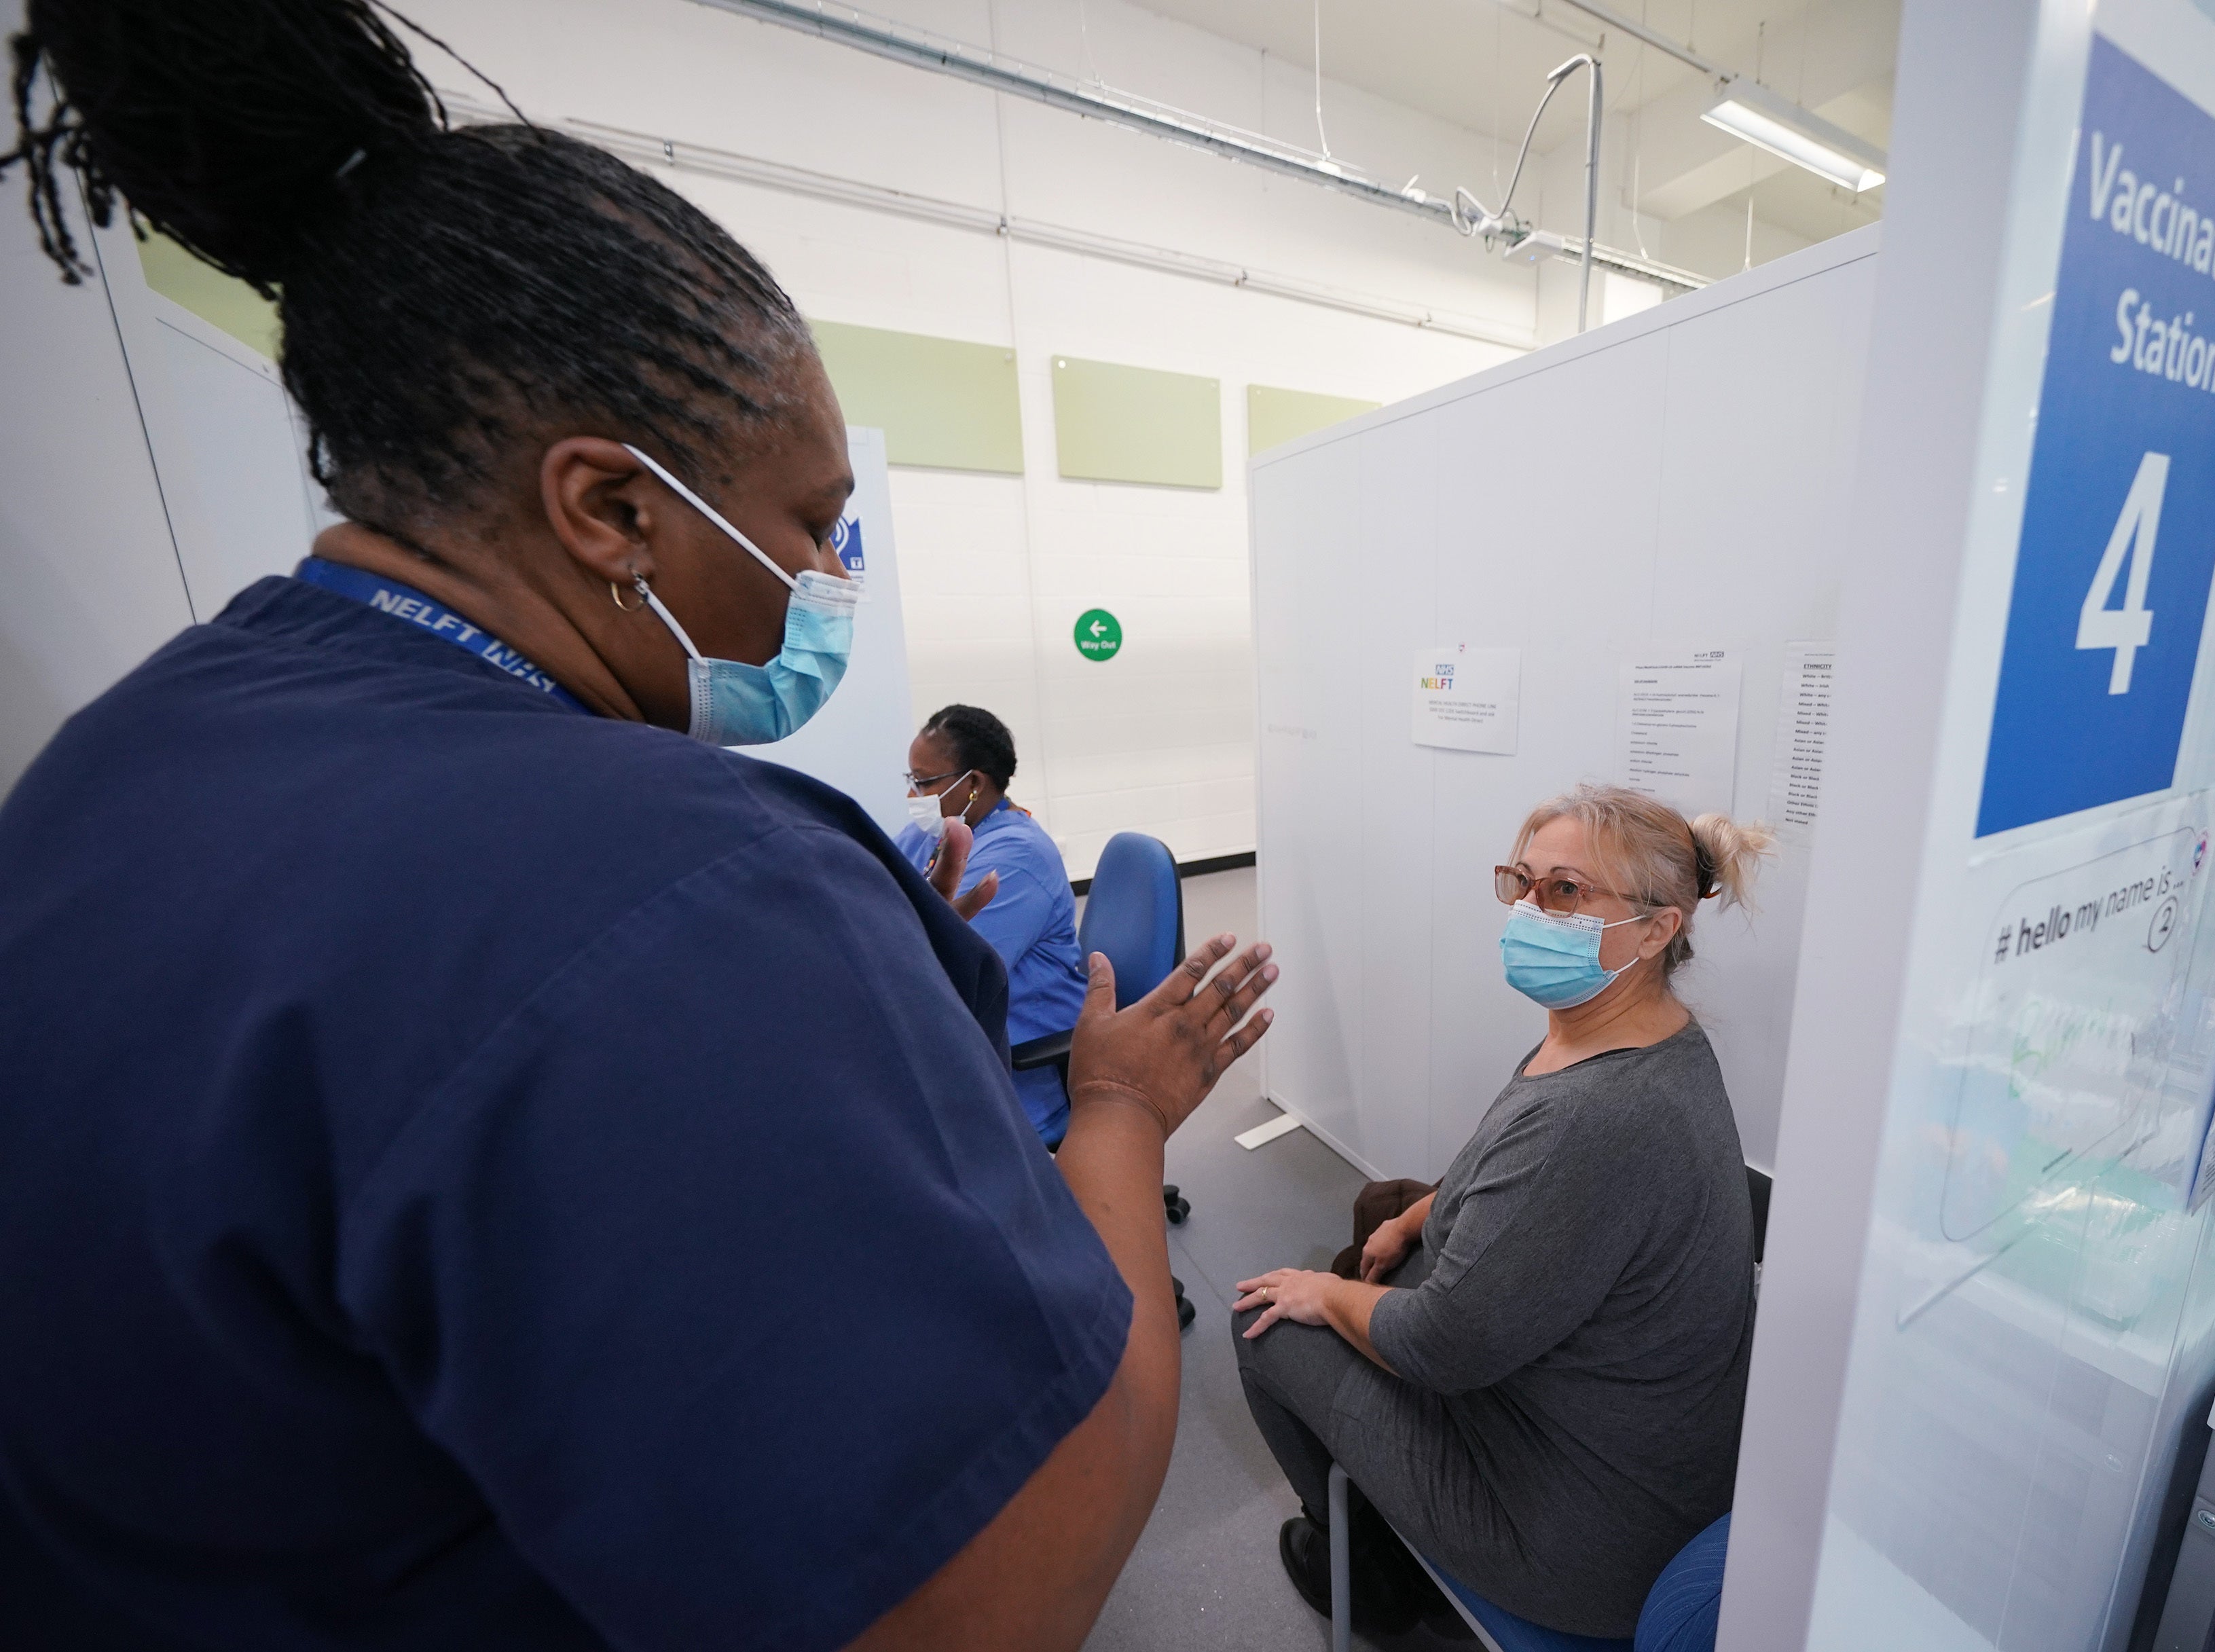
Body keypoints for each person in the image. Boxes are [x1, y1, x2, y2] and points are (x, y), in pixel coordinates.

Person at [0, 6, 1274, 1649]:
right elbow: (1002, 1586)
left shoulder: (108, 766)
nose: (833, 584)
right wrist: (1115, 1110)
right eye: (816, 525)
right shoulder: (691, 890)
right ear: (610, 505)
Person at [1228, 784, 1768, 1639]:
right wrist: (1414, 1219)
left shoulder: (1593, 1119)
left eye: (1564, 891)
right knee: (1384, 1206)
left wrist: (1321, 1296)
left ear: (1658, 928)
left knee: (1266, 1320)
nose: (1527, 909)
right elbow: (1507, 1176)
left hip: (1581, 1539)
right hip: (1627, 1448)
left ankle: (1365, 1573)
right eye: (1521, 882)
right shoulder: (1631, 1032)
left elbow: (1441, 1347)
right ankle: (1372, 1503)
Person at [896, 705, 1084, 1147]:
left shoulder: (1018, 857)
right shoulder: (938, 829)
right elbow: (872, 881)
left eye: (923, 782)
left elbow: (952, 970)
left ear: (974, 783)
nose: (912, 797)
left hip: (1022, 1055)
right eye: (910, 781)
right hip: (964, 1033)